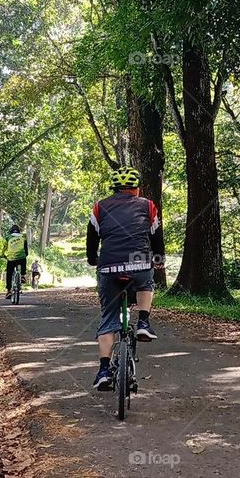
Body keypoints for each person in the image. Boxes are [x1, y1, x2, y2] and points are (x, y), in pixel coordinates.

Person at [86, 166, 164, 391]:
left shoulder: (100, 207)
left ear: (115, 189)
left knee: (108, 317)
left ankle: (103, 370)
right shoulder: (148, 206)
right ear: (136, 189)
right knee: (146, 281)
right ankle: (143, 322)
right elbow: (156, 236)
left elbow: (92, 238)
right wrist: (158, 259)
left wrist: (94, 259)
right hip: (138, 261)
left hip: (109, 266)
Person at [4, 224, 28, 298]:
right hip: (21, 258)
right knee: (23, 259)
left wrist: (3, 255)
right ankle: (23, 276)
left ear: (10, 231)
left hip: (11, 258)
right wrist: (25, 255)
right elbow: (26, 249)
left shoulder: (8, 237)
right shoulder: (23, 237)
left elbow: (5, 247)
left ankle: (8, 291)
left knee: (9, 273)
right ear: (19, 231)